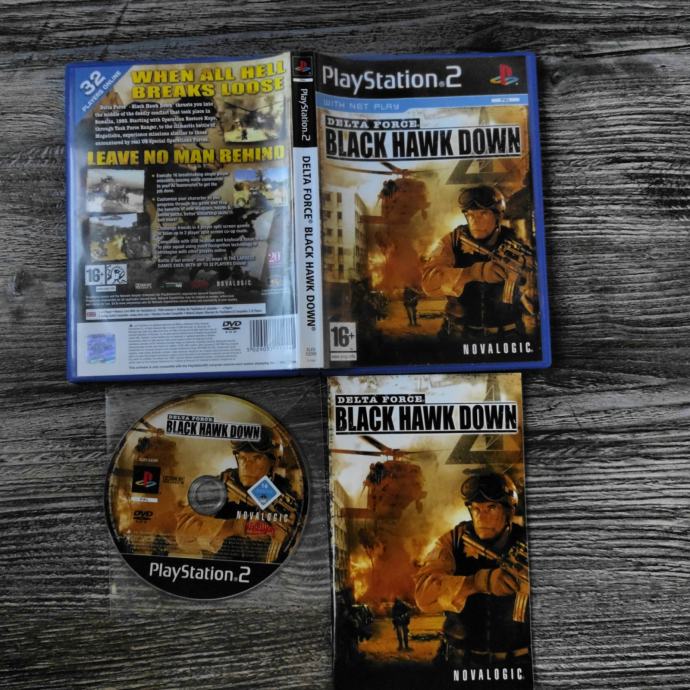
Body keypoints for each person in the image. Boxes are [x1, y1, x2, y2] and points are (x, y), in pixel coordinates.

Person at [414, 472, 531, 680]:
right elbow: (423, 595)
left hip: (518, 667)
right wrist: (479, 582)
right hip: (460, 665)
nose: (481, 516)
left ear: (509, 510)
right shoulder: (454, 540)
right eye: (476, 508)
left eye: (491, 508)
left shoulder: (530, 541)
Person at [421, 186, 536, 342]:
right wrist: (474, 273)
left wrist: (529, 285)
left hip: (509, 335)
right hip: (460, 334)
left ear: (498, 216)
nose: (475, 220)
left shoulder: (518, 240)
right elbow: (428, 282)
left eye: (483, 213)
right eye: (470, 214)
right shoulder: (453, 240)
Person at [176, 426, 298, 563]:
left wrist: (284, 535)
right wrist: (238, 526)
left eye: (257, 458)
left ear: (274, 462)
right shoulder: (219, 485)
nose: (247, 465)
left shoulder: (281, 491)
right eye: (242, 458)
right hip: (220, 570)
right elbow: (183, 535)